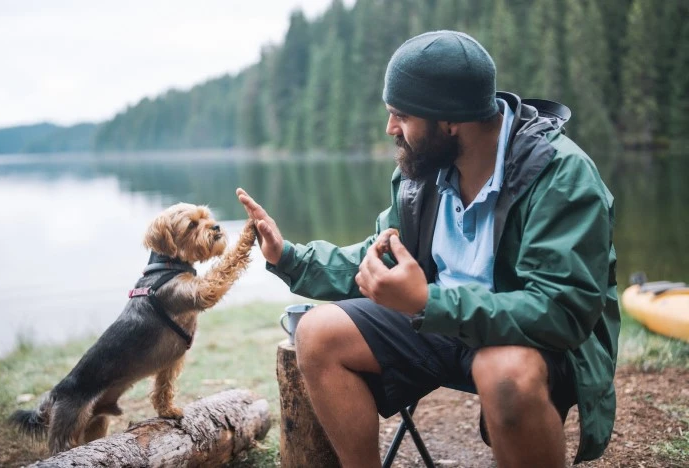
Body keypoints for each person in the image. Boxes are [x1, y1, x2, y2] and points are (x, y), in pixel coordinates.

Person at [237, 30, 618, 467]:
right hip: (437, 322)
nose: (390, 129)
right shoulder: (423, 169)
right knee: (318, 333)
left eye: (401, 115)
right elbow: (378, 258)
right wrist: (288, 257)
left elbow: (561, 312)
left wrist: (426, 300)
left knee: (504, 373)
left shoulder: (560, 175)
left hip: (531, 340)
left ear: (450, 120)